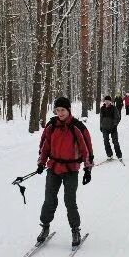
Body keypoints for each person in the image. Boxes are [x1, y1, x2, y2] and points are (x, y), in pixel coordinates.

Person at [36, 97, 95, 248]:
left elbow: (86, 149)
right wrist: (41, 163)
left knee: (70, 201)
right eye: (57, 110)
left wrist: (88, 169)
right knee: (49, 200)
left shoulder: (77, 127)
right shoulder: (51, 126)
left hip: (71, 170)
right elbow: (44, 147)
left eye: (63, 110)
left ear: (69, 110)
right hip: (54, 168)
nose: (60, 113)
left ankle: (75, 229)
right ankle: (45, 226)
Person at [99, 95, 122, 160]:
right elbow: (101, 118)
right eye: (106, 100)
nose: (106, 102)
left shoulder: (114, 108)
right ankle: (109, 155)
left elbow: (118, 118)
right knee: (106, 141)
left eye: (108, 101)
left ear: (110, 101)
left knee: (115, 141)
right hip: (104, 127)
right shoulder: (102, 108)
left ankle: (119, 155)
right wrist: (101, 126)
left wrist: (115, 125)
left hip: (113, 127)